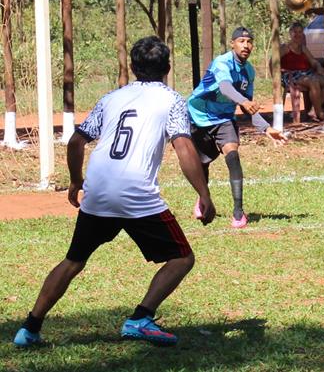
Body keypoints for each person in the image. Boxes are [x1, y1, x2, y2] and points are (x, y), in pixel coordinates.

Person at [12, 36, 216, 348]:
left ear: (133, 68)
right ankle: (140, 319)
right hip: (136, 193)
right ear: (168, 68)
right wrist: (204, 193)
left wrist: (76, 181)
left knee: (73, 260)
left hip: (99, 189)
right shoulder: (172, 100)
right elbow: (183, 145)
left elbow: (77, 141)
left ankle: (29, 328)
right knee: (182, 258)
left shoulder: (112, 98)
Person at [188, 27, 286, 229]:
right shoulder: (222, 62)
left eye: (249, 41)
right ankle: (203, 199)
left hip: (224, 118)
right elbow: (225, 87)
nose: (246, 45)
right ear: (232, 44)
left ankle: (238, 212)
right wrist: (243, 101)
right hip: (199, 116)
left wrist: (266, 129)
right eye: (241, 41)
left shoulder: (249, 71)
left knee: (232, 155)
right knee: (202, 163)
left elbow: (248, 105)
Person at [280, 22, 324, 121]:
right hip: (291, 75)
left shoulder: (303, 48)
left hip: (306, 74)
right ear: (290, 33)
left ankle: (313, 110)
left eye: (300, 32)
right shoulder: (285, 47)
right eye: (295, 32)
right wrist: (275, 77)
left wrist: (318, 66)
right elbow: (273, 62)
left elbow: (313, 61)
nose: (297, 35)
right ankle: (319, 114)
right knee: (313, 81)